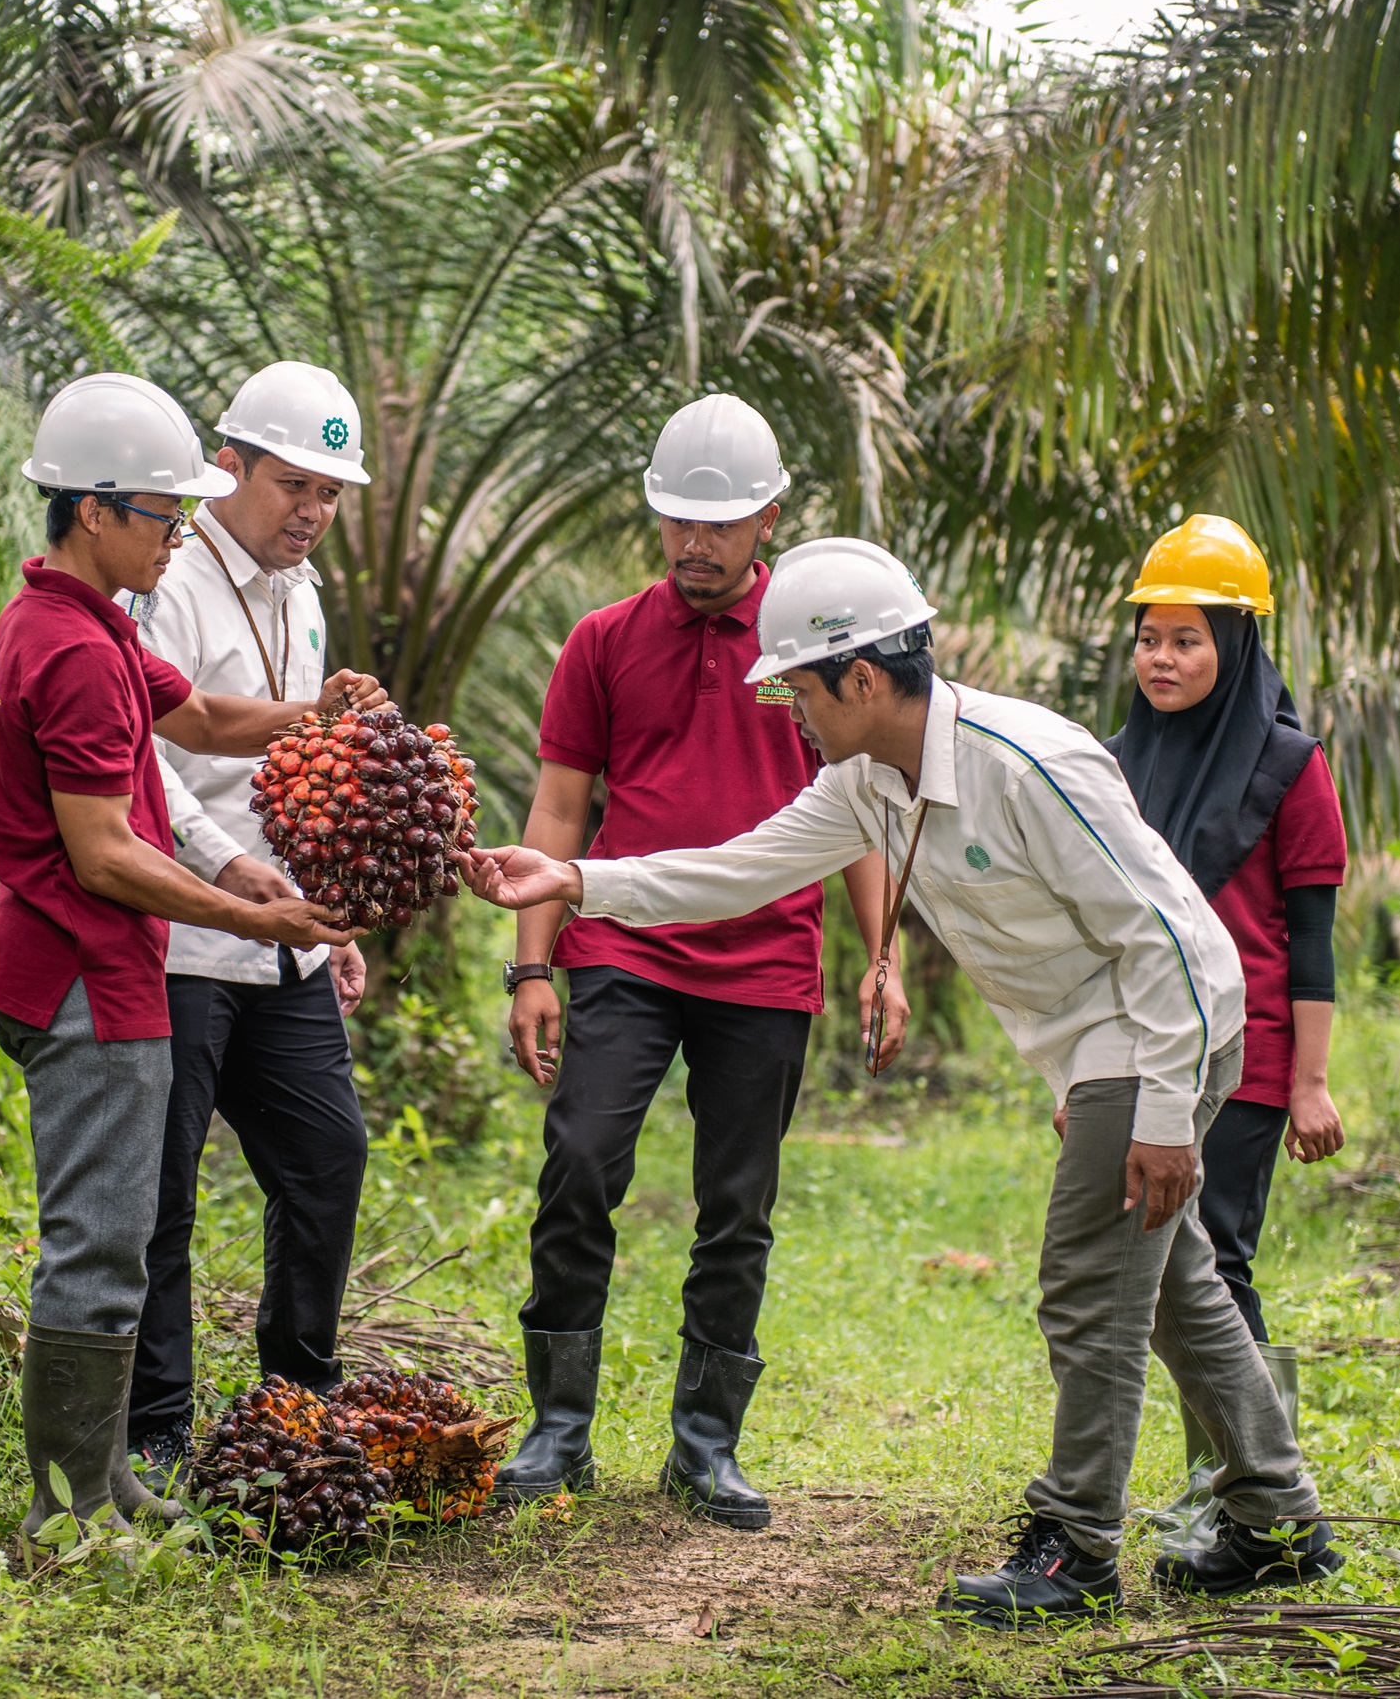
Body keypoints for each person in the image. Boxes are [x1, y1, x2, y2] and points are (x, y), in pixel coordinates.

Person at [460, 537, 1342, 1623]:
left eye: (797, 692)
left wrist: (1158, 1112)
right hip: (1103, 1037)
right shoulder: (867, 782)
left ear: (863, 680)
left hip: (1161, 1024)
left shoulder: (1022, 762)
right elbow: (735, 868)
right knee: (1169, 1287)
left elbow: (1157, 941)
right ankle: (1277, 1520)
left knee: (1088, 1287)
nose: (788, 713)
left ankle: (1074, 1550)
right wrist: (576, 878)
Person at [0, 372, 382, 1555]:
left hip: (111, 968)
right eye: (161, 514)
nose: (176, 533)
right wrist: (257, 918)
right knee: (104, 1239)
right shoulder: (79, 648)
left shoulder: (74, 620)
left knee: (134, 1223)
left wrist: (317, 715)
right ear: (94, 510)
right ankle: (72, 1500)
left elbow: (196, 721)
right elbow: (101, 852)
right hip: (86, 968)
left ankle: (109, 1484)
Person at [490, 395, 905, 1532]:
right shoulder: (602, 640)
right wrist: (532, 969)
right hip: (621, 944)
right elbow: (560, 805)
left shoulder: (812, 644)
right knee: (577, 1163)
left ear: (769, 518)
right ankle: (556, 1432)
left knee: (738, 1201)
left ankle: (704, 1446)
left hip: (766, 964)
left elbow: (857, 808)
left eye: (720, 524)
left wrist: (883, 956)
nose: (696, 544)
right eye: (677, 520)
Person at [127, 362, 379, 1481]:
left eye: (329, 493)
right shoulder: (167, 581)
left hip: (283, 948)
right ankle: (158, 1433)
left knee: (327, 1157)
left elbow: (308, 775)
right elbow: (148, 764)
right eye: (292, 486)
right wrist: (232, 870)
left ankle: (295, 1403)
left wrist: (335, 915)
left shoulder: (305, 596)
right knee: (163, 1195)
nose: (311, 513)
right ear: (227, 465)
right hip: (183, 937)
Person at [1102, 515, 1346, 1557]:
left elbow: (1312, 941)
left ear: (1235, 643)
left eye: (1185, 638)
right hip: (1141, 1052)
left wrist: (1311, 1082)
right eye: (1149, 637)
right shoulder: (1110, 761)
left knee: (1215, 1263)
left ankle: (1245, 1493)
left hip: (1245, 1059)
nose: (1160, 658)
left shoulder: (1291, 767)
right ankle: (1227, 1482)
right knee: (1161, 1270)